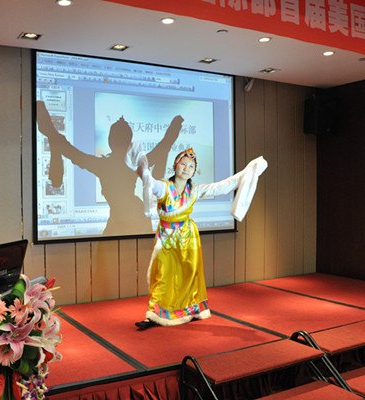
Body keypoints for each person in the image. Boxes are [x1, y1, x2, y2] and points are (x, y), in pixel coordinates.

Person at [135, 148, 267, 329]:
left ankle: (189, 310)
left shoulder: (194, 190)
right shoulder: (164, 187)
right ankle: (155, 314)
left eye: (191, 166)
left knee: (189, 275)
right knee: (163, 274)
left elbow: (222, 186)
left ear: (194, 171)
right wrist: (143, 169)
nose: (186, 168)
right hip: (167, 238)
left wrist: (247, 172)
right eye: (183, 164)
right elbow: (150, 183)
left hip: (188, 237)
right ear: (175, 166)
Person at [36, 100, 183, 236]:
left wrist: (50, 131)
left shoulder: (103, 165)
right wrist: (176, 125)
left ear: (110, 141)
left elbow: (71, 152)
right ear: (129, 143)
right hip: (133, 218)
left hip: (127, 220)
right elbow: (164, 145)